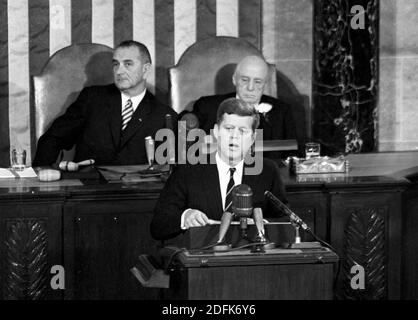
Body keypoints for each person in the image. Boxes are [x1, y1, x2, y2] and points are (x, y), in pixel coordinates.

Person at [151, 98, 287, 241]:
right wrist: (185, 217)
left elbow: (285, 220)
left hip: (251, 256)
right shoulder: (188, 171)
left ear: (253, 138)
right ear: (216, 131)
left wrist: (262, 224)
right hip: (204, 257)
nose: (234, 136)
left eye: (242, 131)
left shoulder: (267, 171)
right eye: (228, 129)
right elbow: (158, 226)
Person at [33, 40, 177, 166]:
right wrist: (42, 172)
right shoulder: (92, 99)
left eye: (128, 64)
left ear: (145, 69)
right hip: (88, 189)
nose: (119, 71)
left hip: (138, 194)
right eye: (116, 64)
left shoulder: (164, 116)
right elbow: (53, 139)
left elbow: (169, 170)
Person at [192, 55, 304, 158]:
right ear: (234, 79)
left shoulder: (282, 111)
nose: (250, 87)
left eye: (258, 82)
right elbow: (190, 151)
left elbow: (293, 154)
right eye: (245, 80)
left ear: (265, 84)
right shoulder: (206, 107)